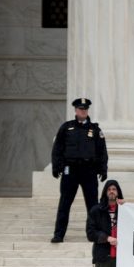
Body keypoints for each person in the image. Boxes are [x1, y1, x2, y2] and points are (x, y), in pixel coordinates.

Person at [51, 98, 108, 243]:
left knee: (93, 205)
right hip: (70, 170)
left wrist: (103, 169)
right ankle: (58, 234)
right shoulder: (66, 127)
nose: (83, 111)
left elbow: (102, 151)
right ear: (75, 110)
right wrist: (56, 166)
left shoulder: (95, 130)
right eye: (80, 109)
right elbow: (57, 148)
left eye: (85, 109)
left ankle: (94, 234)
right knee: (65, 203)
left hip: (89, 170)